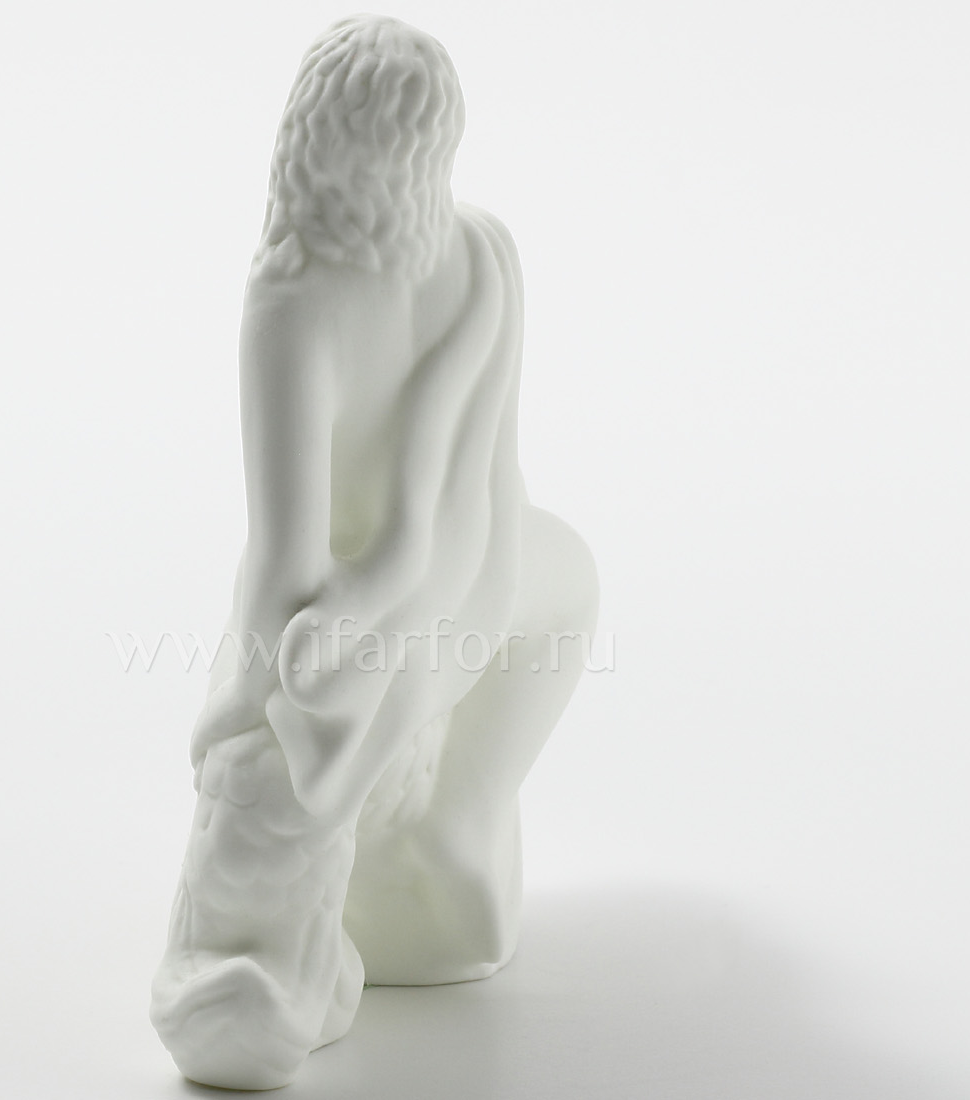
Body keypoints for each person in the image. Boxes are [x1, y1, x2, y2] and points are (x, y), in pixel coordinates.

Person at [151, 16, 598, 1090]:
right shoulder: (482, 257)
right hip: (482, 582)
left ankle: (386, 862)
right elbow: (490, 497)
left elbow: (285, 559)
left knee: (292, 723)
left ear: (306, 134)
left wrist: (244, 698)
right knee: (573, 575)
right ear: (436, 145)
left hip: (339, 619)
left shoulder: (294, 295)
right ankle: (457, 831)